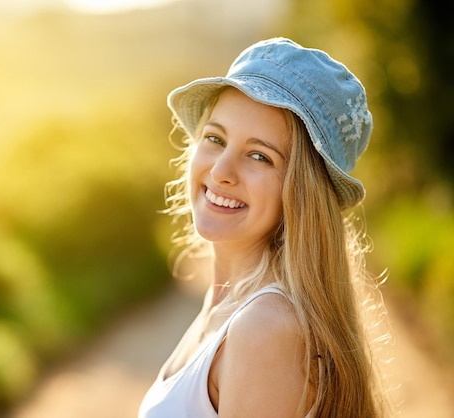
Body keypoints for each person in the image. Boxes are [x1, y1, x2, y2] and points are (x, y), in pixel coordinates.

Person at [138, 38, 391, 418]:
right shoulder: (230, 304)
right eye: (215, 138)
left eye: (260, 156)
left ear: (302, 194)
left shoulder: (264, 330)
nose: (221, 171)